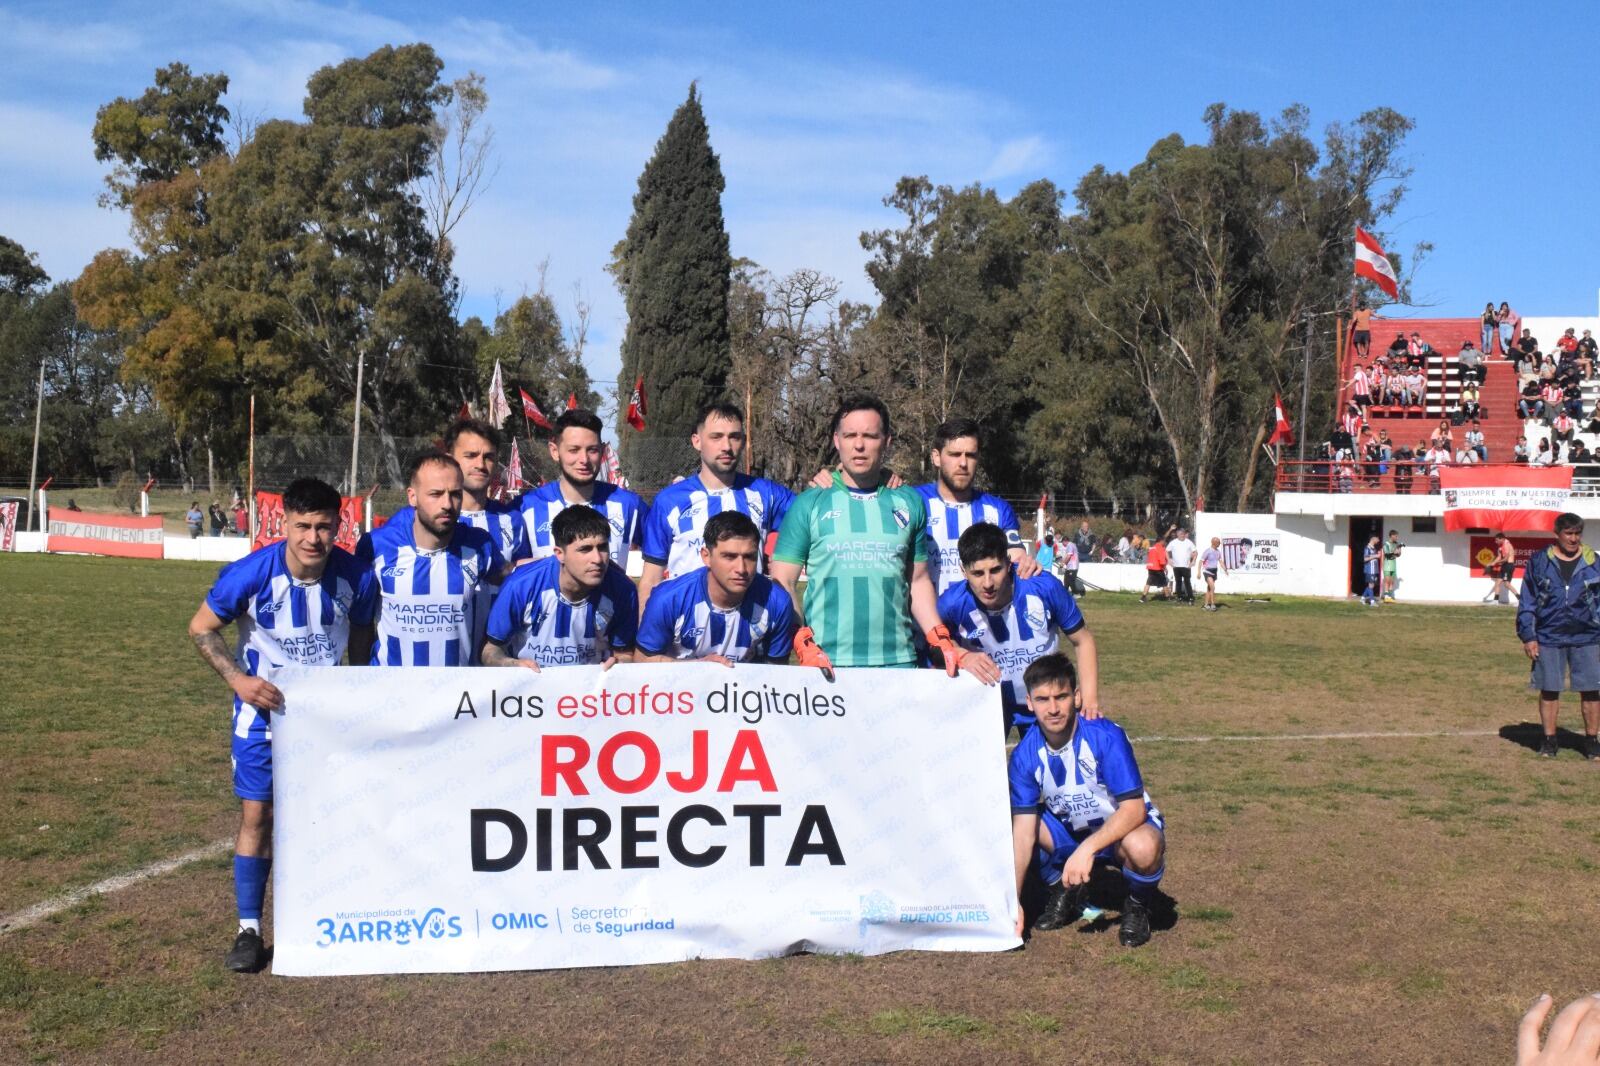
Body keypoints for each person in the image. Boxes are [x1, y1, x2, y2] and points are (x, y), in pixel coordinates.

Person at [186, 478, 376, 973]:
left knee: (331, 815)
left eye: (324, 527)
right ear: (285, 523)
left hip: (324, 723)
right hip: (261, 721)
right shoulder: (250, 574)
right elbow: (201, 626)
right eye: (303, 526)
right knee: (258, 818)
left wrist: (354, 688)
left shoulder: (356, 576)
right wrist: (239, 680)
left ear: (340, 526)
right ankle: (249, 930)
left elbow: (361, 630)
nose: (313, 538)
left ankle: (327, 914)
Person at [769, 393, 959, 673]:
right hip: (828, 663)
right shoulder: (809, 502)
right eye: (850, 436)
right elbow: (783, 580)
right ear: (837, 440)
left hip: (897, 661)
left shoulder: (908, 501)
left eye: (870, 436)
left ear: (886, 442)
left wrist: (937, 635)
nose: (859, 445)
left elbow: (917, 580)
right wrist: (802, 642)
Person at [1009, 653, 1165, 946]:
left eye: (1061, 697)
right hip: (1071, 830)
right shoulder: (1023, 756)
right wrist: (1012, 901)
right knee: (1013, 820)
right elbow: (1022, 832)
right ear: (1029, 703)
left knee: (1143, 848)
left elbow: (1133, 810)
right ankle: (1063, 888)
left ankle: (1137, 904)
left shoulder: (1105, 736)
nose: (1053, 708)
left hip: (1122, 831)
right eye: (1042, 700)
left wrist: (1087, 850)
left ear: (1077, 697)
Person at [937, 522, 1100, 736]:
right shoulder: (951, 603)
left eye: (995, 570)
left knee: (1051, 769)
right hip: (986, 703)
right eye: (977, 573)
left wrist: (1090, 699)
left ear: (1008, 562)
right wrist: (962, 655)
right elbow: (933, 643)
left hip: (1043, 703)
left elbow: (1082, 640)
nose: (988, 583)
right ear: (963, 571)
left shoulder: (1044, 587)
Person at [387, 419, 532, 657]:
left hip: (495, 660)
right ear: (450, 457)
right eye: (471, 455)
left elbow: (518, 578)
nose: (480, 464)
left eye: (489, 457)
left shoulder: (512, 520)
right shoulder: (410, 520)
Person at [637, 401, 795, 613]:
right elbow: (651, 580)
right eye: (716, 436)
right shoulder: (669, 501)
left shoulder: (767, 494)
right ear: (697, 441)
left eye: (734, 437)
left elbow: (813, 513)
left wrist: (837, 479)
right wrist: (646, 639)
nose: (726, 446)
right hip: (683, 637)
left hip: (749, 632)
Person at [351, 452, 495, 667]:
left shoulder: (479, 545)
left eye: (455, 494)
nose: (447, 503)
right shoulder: (377, 546)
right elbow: (361, 625)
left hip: (456, 692)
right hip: (390, 691)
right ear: (412, 497)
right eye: (436, 494)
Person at [483, 505, 638, 670]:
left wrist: (619, 665)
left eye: (602, 547)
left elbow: (624, 652)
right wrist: (511, 664)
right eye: (585, 549)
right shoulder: (521, 585)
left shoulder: (624, 590)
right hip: (530, 692)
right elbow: (490, 650)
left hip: (590, 692)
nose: (598, 559)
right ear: (559, 554)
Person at [635, 511, 797, 665]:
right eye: (729, 556)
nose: (741, 568)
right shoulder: (668, 599)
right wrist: (699, 668)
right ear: (706, 556)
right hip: (680, 690)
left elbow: (777, 672)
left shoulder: (777, 602)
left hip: (744, 691)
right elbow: (641, 662)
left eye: (749, 557)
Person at [908, 418, 1038, 596]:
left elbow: (1016, 560)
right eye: (955, 454)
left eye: (970, 455)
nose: (963, 463)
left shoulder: (998, 510)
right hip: (924, 623)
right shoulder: (911, 501)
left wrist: (1027, 565)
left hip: (980, 623)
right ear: (936, 458)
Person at [1516, 512, 1600, 760]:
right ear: (1557, 534)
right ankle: (1550, 741)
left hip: (1587, 636)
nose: (1574, 539)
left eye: (1577, 534)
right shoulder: (1539, 561)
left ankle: (1592, 742)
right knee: (1550, 689)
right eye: (1568, 534)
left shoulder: (1593, 560)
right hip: (1548, 635)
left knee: (1592, 690)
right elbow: (1528, 601)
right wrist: (1529, 636)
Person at [518, 408, 646, 569]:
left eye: (592, 450)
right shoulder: (525, 507)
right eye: (574, 450)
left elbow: (662, 554)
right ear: (555, 451)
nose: (584, 459)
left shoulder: (630, 505)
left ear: (602, 451)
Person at [1167, 527, 1197, 605]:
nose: (1182, 535)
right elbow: (1166, 551)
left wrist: (1193, 561)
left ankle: (1190, 598)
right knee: (1178, 582)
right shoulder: (1173, 542)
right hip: (1176, 566)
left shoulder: (1189, 542)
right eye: (1180, 534)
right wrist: (1169, 560)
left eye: (1183, 534)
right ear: (1177, 534)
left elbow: (1195, 552)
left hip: (1186, 566)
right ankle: (1179, 598)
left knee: (1187, 582)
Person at [1487, 531, 1516, 606]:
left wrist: (1495, 563)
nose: (1495, 541)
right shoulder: (1500, 547)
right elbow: (1499, 557)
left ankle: (1520, 599)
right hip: (1504, 565)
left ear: (1502, 539)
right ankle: (1496, 601)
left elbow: (1505, 559)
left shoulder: (1506, 545)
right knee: (1497, 582)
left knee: (1507, 584)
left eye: (1497, 540)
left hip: (1508, 565)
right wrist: (1492, 563)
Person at [1139, 535, 1169, 603]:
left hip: (1150, 567)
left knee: (1148, 582)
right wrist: (1165, 568)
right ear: (1161, 541)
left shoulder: (1152, 547)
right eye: (1164, 541)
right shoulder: (1160, 548)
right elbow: (1161, 560)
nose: (1165, 543)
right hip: (1157, 568)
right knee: (1164, 582)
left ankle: (1143, 597)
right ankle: (1168, 597)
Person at [1381, 529, 1403, 603]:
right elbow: (1387, 554)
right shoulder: (1386, 544)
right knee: (1387, 581)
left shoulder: (1396, 544)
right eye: (1396, 536)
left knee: (1392, 581)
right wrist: (1395, 552)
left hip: (1393, 564)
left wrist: (1399, 549)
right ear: (1392, 536)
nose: (1397, 538)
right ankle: (1386, 597)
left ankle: (1390, 596)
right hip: (1387, 564)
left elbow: (1398, 555)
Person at [1361, 535, 1381, 606]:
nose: (1378, 540)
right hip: (1370, 570)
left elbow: (1373, 557)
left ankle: (1363, 598)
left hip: (1374, 570)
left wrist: (1378, 555)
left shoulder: (1374, 548)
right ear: (1373, 539)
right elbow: (1365, 559)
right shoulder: (1367, 548)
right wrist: (1376, 556)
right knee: (1371, 585)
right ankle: (1372, 602)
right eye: (1377, 538)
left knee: (1371, 586)